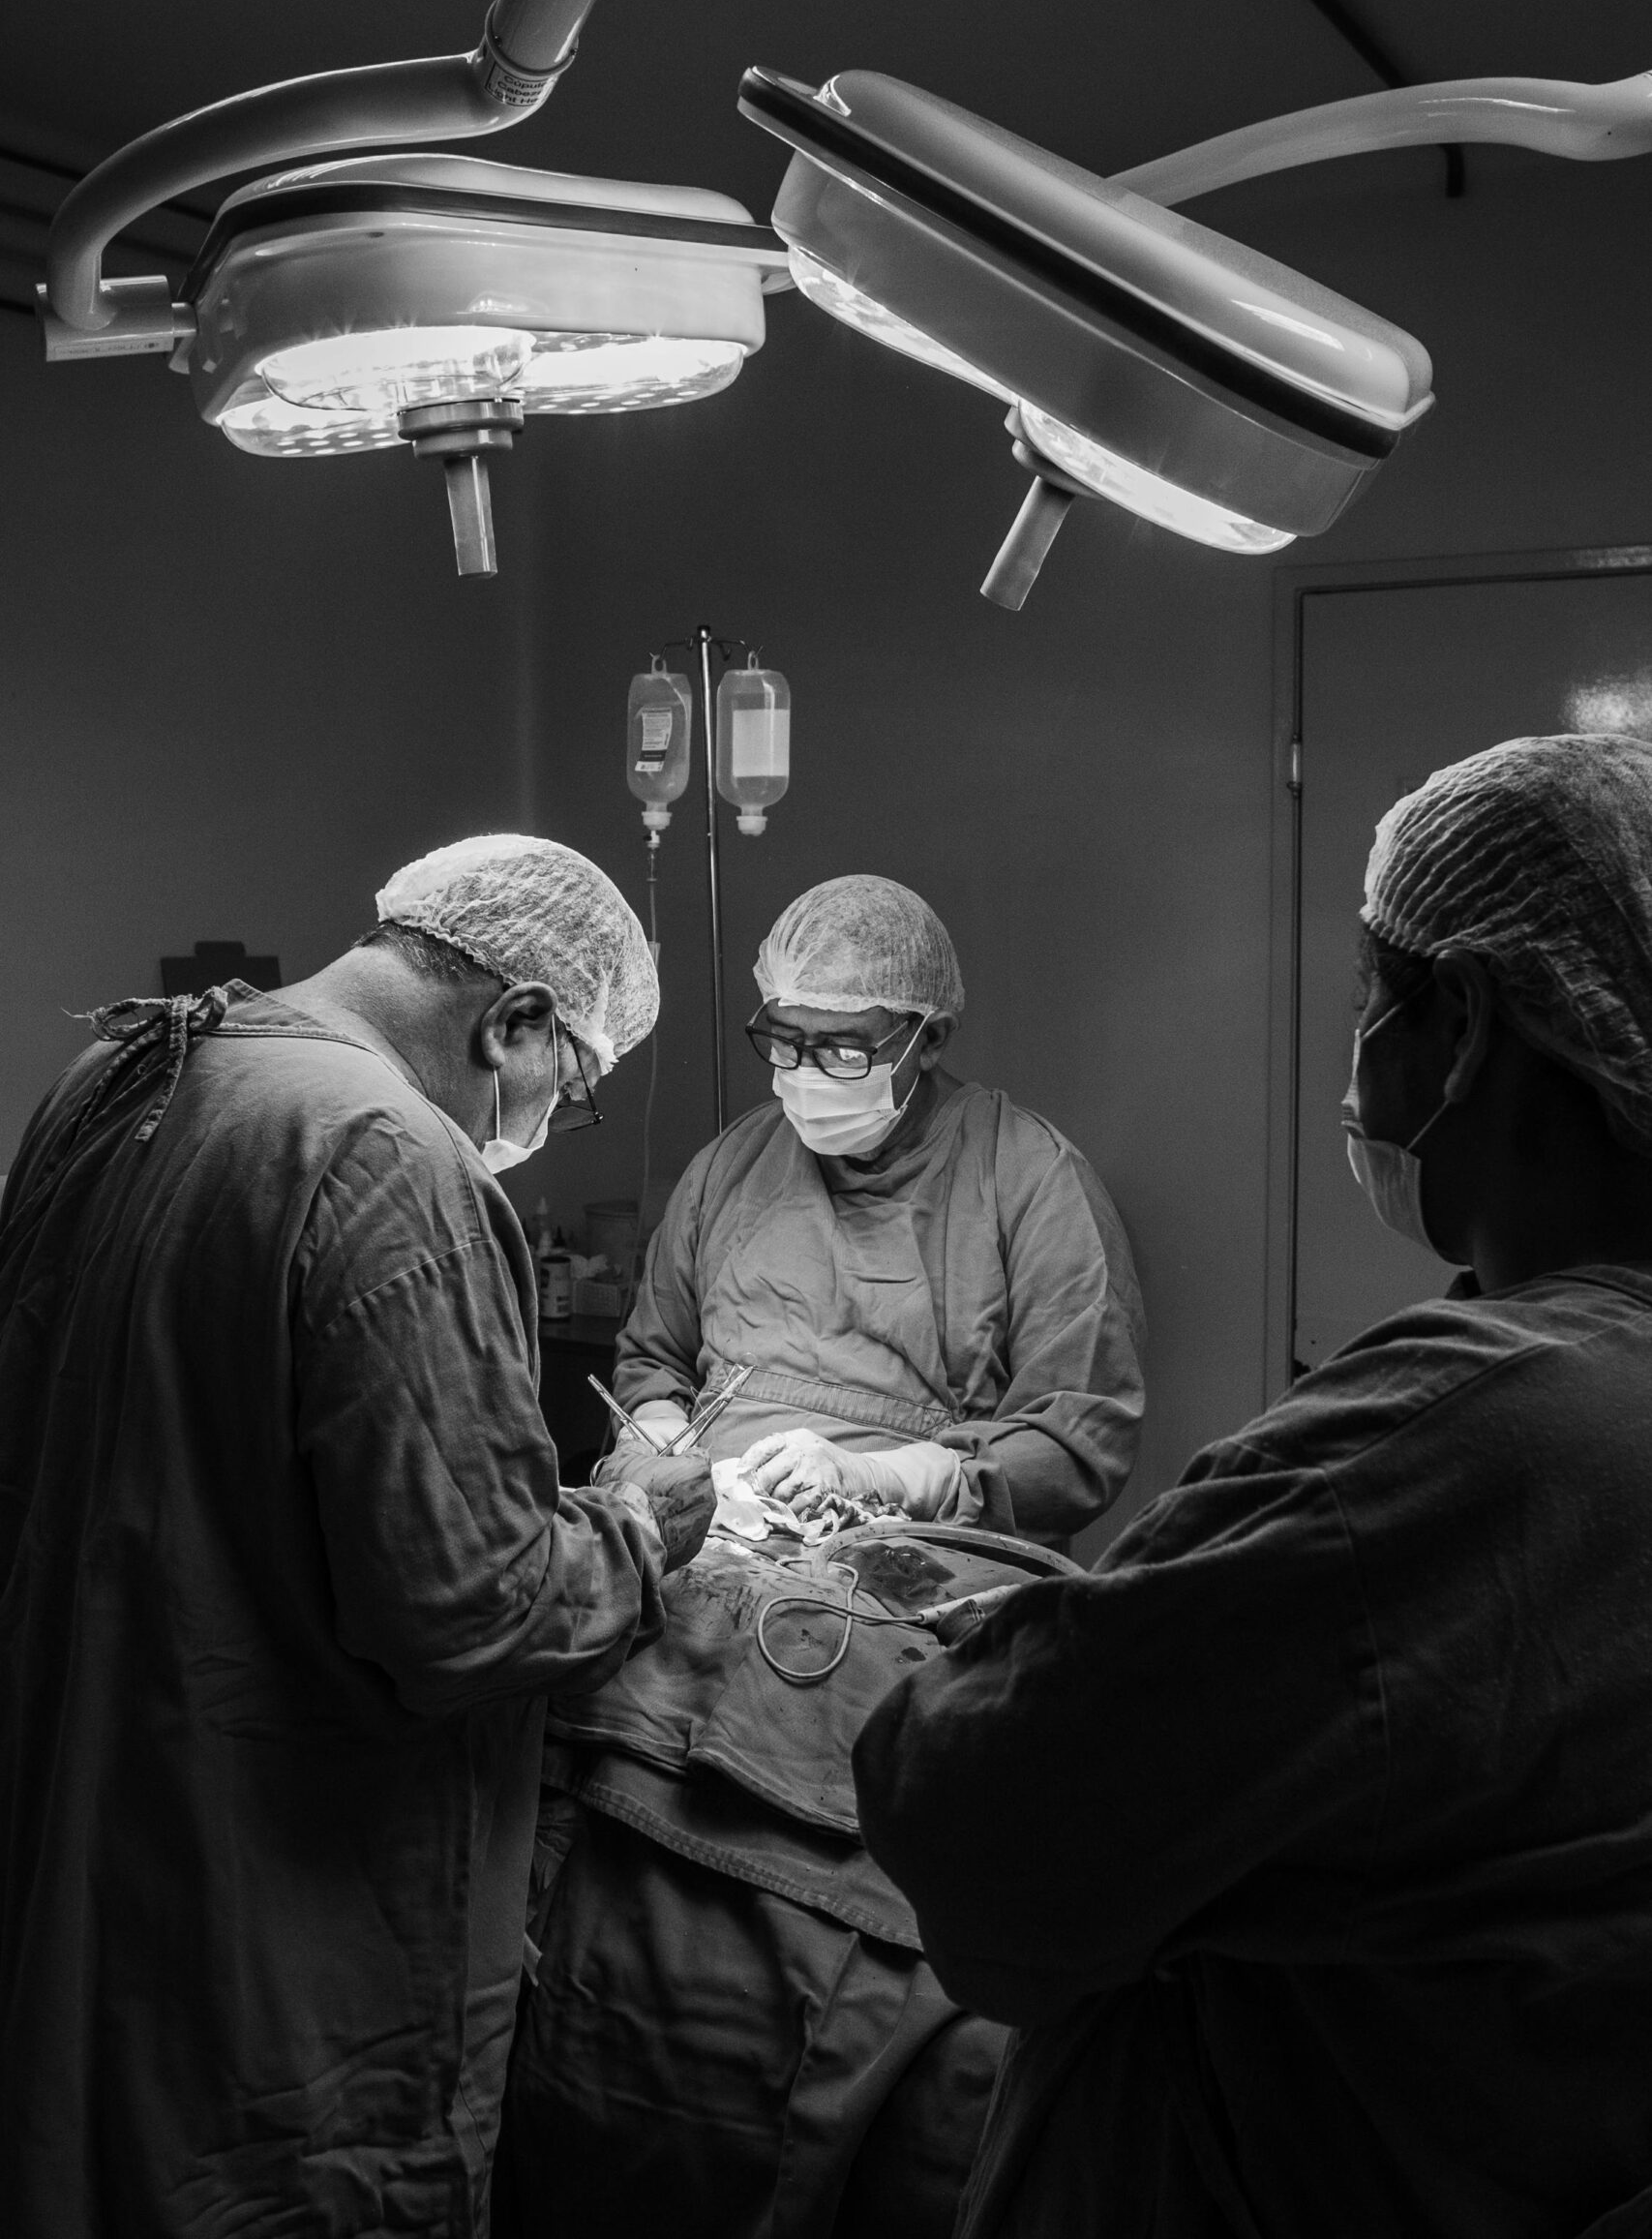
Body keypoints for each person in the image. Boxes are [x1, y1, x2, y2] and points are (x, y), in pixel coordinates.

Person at [856, 735, 1652, 2239]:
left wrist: (1003, 1627)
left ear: (1469, 1023)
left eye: (1375, 1001)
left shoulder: (1472, 1436)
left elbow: (984, 1836)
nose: (1362, 1053)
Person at [0, 832, 714, 2239]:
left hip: (79, 1829)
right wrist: (635, 1528)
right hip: (269, 1922)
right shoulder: (390, 1156)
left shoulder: (122, 1074)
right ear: (514, 1018)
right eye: (567, 1094)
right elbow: (473, 1607)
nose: (537, 1133)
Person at [497, 873, 1144, 2239]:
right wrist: (668, 1444)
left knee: (885, 1756)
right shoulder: (733, 1169)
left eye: (841, 1045)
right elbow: (655, 1361)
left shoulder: (1030, 1178)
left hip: (936, 1547)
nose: (804, 1073)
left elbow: (1080, 1439)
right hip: (718, 1533)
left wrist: (891, 1473)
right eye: (781, 1040)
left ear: (922, 1035)